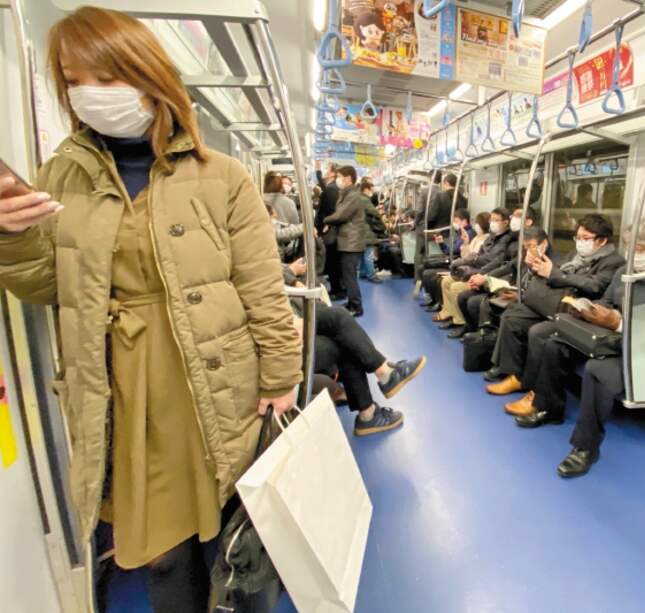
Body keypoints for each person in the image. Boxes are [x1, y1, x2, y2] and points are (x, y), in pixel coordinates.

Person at [0, 8, 302, 611]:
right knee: (161, 552)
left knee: (240, 532)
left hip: (216, 374)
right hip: (124, 384)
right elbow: (46, 284)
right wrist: (10, 236)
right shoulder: (63, 175)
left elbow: (261, 284)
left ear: (149, 78)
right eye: (73, 78)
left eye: (108, 78)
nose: (91, 94)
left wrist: (280, 374)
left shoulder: (223, 176)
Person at [505, 218, 645, 477]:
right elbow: (607, 299)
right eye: (630, 247)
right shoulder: (624, 273)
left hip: (638, 346)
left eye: (639, 250)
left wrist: (618, 323)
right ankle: (549, 407)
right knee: (553, 342)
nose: (632, 255)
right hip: (605, 334)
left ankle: (585, 447)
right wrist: (591, 310)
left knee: (597, 370)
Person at [484, 213, 624, 389]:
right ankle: (510, 370)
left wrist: (556, 273)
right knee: (512, 316)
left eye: (585, 238)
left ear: (602, 241)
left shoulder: (613, 262)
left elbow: (595, 286)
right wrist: (536, 267)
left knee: (538, 332)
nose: (580, 242)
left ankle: (527, 382)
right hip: (555, 302)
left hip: (578, 312)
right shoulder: (575, 255)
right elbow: (555, 275)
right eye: (578, 237)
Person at [308, 305, 427, 435]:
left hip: (289, 320)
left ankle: (370, 409)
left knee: (339, 318)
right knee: (343, 339)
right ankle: (384, 378)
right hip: (286, 346)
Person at [437, 208, 515, 331]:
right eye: (491, 220)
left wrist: (480, 274)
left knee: (455, 288)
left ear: (505, 222)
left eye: (496, 220)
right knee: (446, 281)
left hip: (484, 272)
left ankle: (462, 322)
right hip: (476, 269)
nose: (492, 223)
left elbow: (491, 261)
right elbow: (478, 254)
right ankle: (455, 317)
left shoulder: (506, 240)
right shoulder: (492, 237)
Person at [324, 165, 369, 316]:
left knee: (349, 276)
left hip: (352, 242)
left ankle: (357, 306)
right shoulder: (347, 194)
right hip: (348, 240)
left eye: (339, 177)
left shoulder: (353, 196)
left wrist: (325, 220)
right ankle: (351, 302)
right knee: (347, 274)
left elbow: (341, 215)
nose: (338, 180)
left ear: (348, 178)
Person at [421, 209, 473, 311]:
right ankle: (434, 300)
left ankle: (440, 304)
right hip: (453, 260)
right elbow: (450, 250)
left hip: (457, 263)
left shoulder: (468, 234)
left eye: (456, 220)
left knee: (430, 275)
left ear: (464, 221)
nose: (454, 223)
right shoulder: (459, 233)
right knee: (423, 267)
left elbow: (456, 250)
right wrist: (441, 243)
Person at [315, 161, 343, 297]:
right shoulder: (331, 187)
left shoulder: (332, 189)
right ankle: (337, 288)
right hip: (333, 230)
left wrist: (327, 224)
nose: (325, 171)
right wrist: (318, 172)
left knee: (333, 262)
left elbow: (331, 210)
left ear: (332, 173)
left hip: (330, 231)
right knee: (334, 261)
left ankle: (338, 290)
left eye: (327, 169)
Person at [359, 178, 386, 284]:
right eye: (372, 189)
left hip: (360, 229)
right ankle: (371, 275)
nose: (373, 191)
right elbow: (374, 212)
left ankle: (362, 272)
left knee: (363, 253)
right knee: (369, 253)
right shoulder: (364, 199)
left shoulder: (358, 198)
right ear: (366, 189)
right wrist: (379, 212)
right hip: (366, 229)